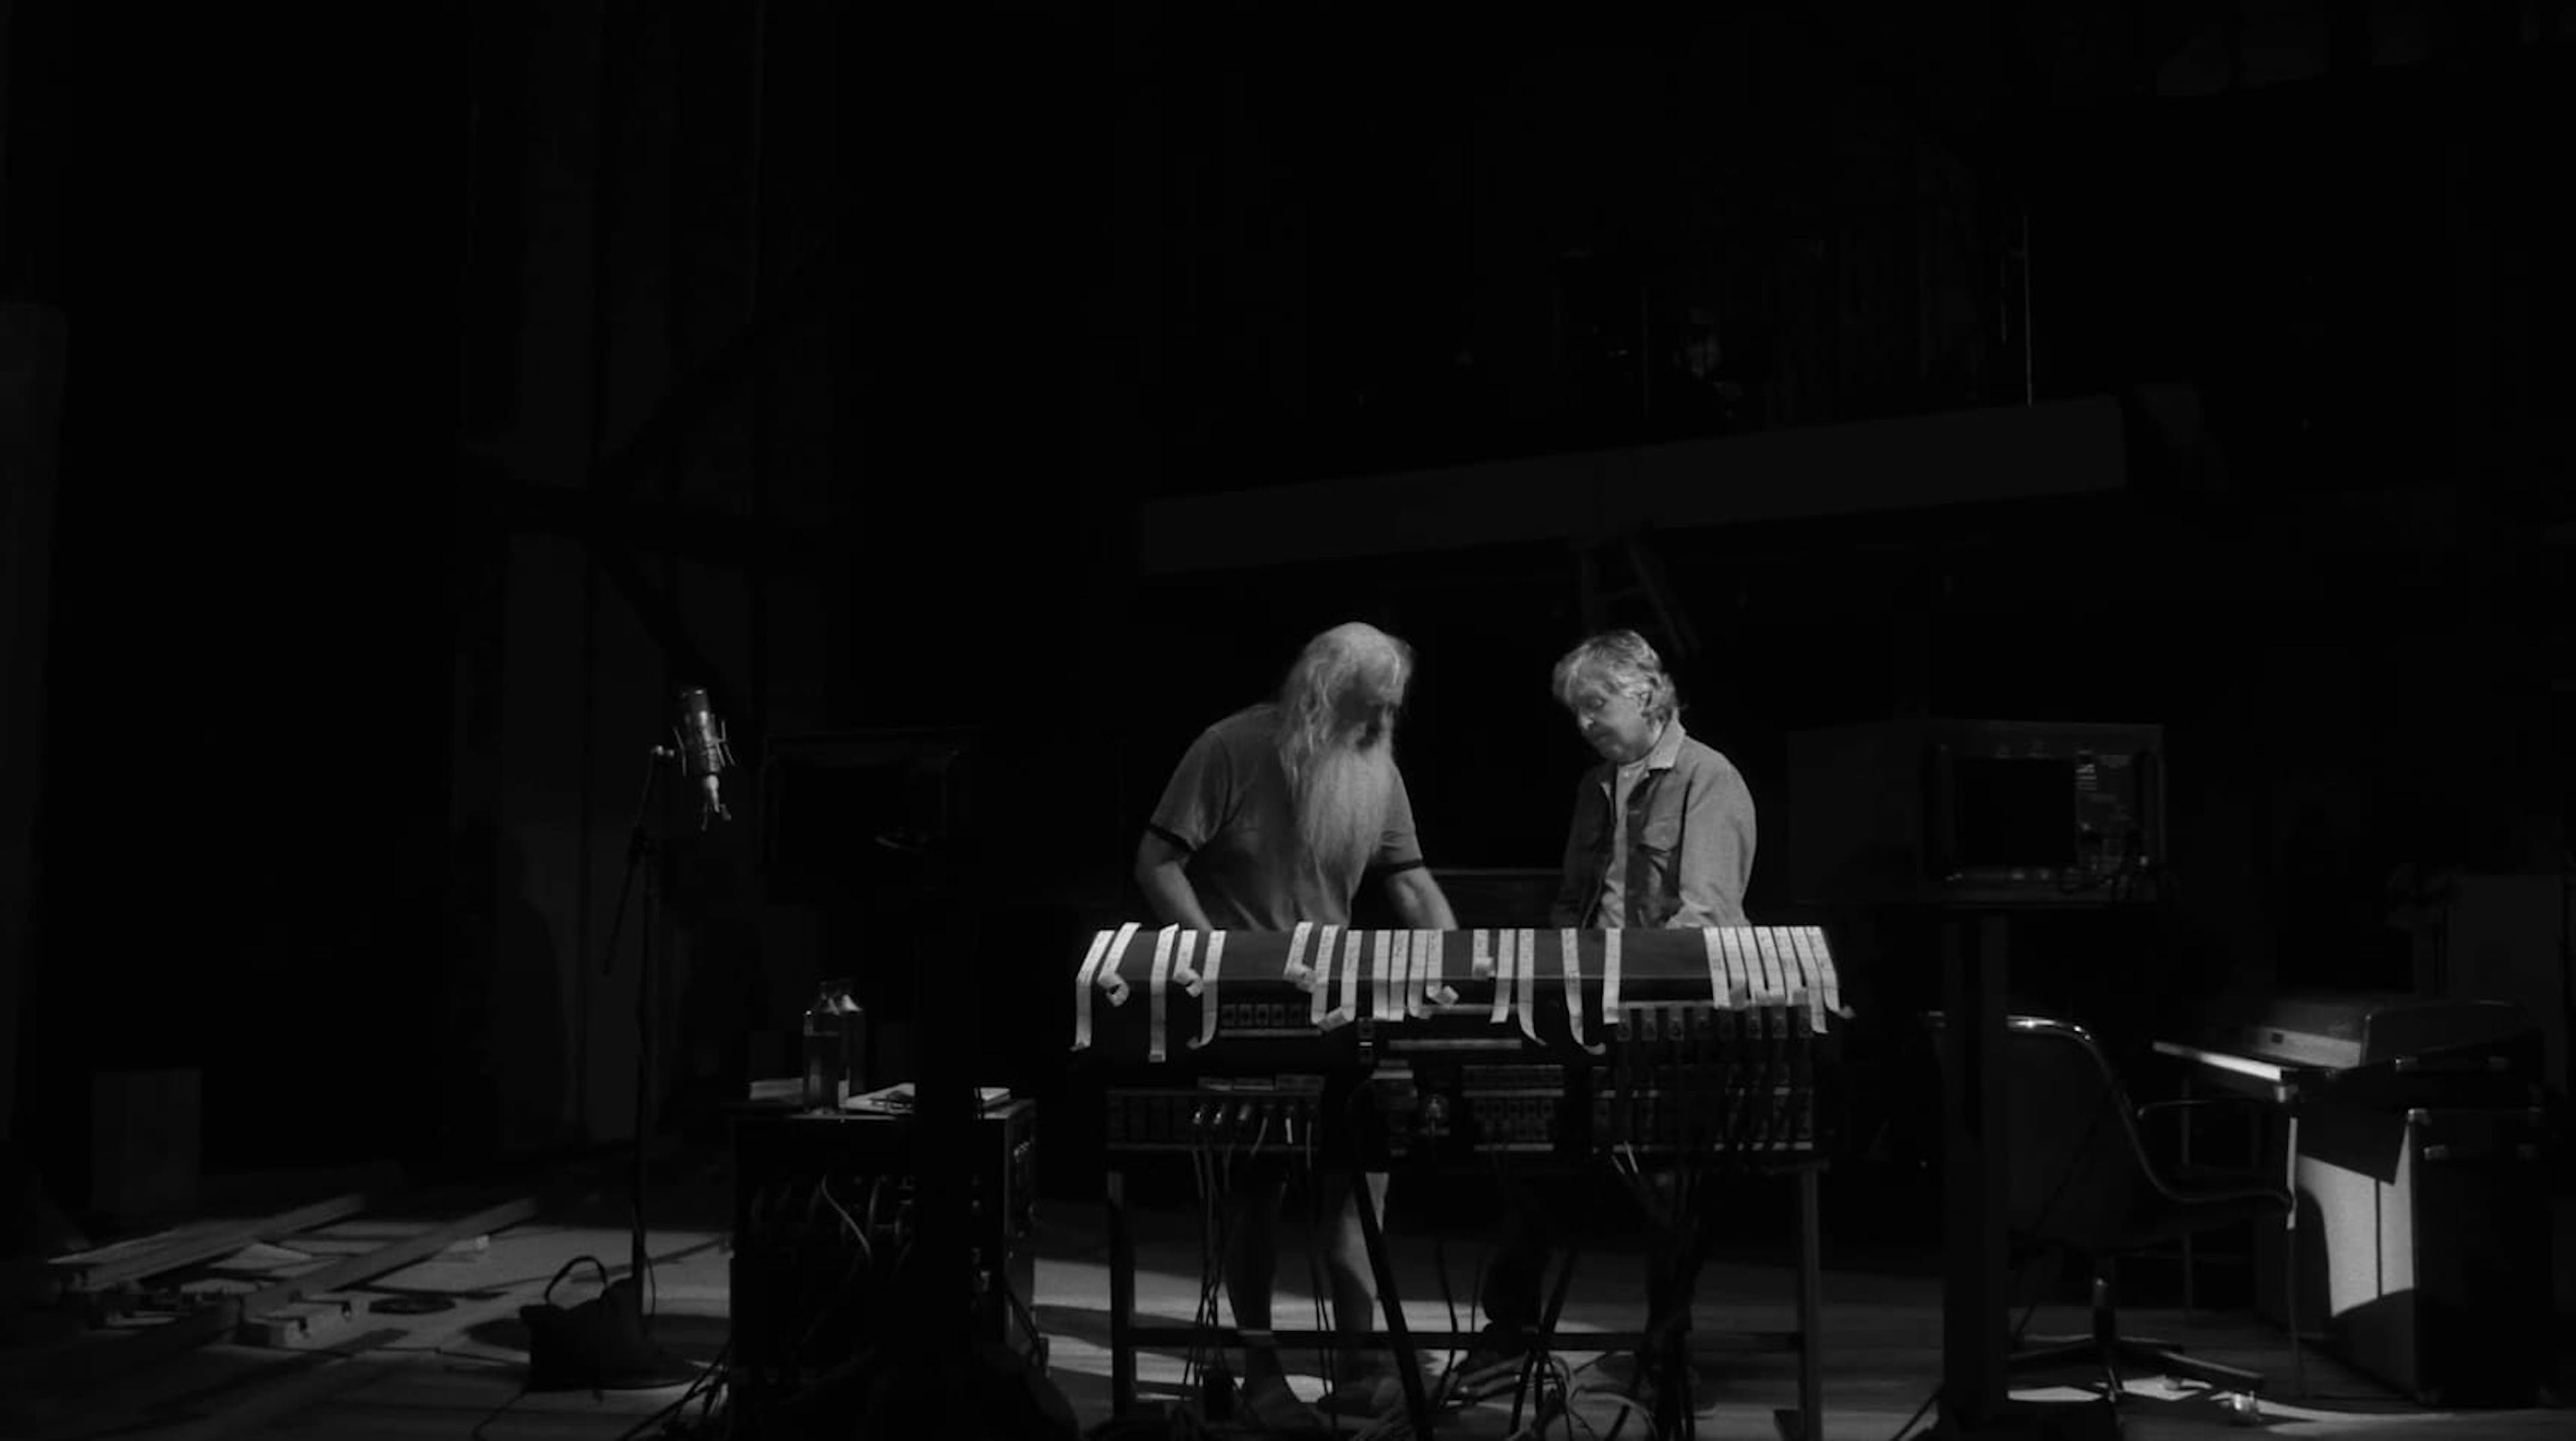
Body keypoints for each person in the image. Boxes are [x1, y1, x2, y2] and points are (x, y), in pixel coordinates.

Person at [1134, 621, 1462, 1429]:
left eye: (1390, 709)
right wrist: (1216, 959)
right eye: (1369, 708)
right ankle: (1261, 1371)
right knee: (1256, 1192)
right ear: (1323, 694)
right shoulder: (1229, 748)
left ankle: (1358, 1366)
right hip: (1247, 1007)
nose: (1383, 724)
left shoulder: (1372, 764)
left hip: (1342, 1003)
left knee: (1365, 1182)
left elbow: (1410, 879)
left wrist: (1455, 967)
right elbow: (1156, 863)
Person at [1452, 628, 1756, 1413]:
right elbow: (1570, 898)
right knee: (1527, 1155)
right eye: (1576, 711)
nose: (1586, 723)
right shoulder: (1596, 785)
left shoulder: (1707, 778)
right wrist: (1551, 981)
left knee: (1669, 1186)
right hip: (1589, 1009)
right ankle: (1508, 1335)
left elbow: (1707, 914)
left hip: (1670, 1021)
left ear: (1648, 696)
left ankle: (1666, 1349)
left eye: (1597, 705)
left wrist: (1628, 989)